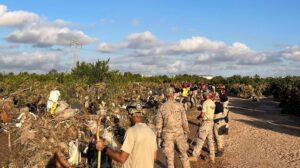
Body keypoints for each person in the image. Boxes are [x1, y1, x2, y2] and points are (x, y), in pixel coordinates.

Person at [96, 101, 157, 168]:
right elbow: (154, 157)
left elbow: (122, 159)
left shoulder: (131, 131)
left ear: (130, 115)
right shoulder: (151, 132)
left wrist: (104, 148)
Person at [156, 87, 191, 168]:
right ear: (173, 94)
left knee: (169, 159)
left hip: (167, 135)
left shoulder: (162, 107)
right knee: (184, 155)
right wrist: (186, 132)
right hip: (179, 133)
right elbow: (184, 121)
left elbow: (159, 124)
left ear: (165, 95)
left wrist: (158, 137)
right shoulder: (179, 105)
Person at [189, 91, 216, 163]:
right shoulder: (212, 103)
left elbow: (202, 114)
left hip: (206, 123)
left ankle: (195, 156)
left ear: (206, 96)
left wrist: (198, 117)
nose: (203, 96)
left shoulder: (205, 103)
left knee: (200, 140)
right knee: (210, 140)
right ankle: (212, 157)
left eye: (204, 95)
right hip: (211, 122)